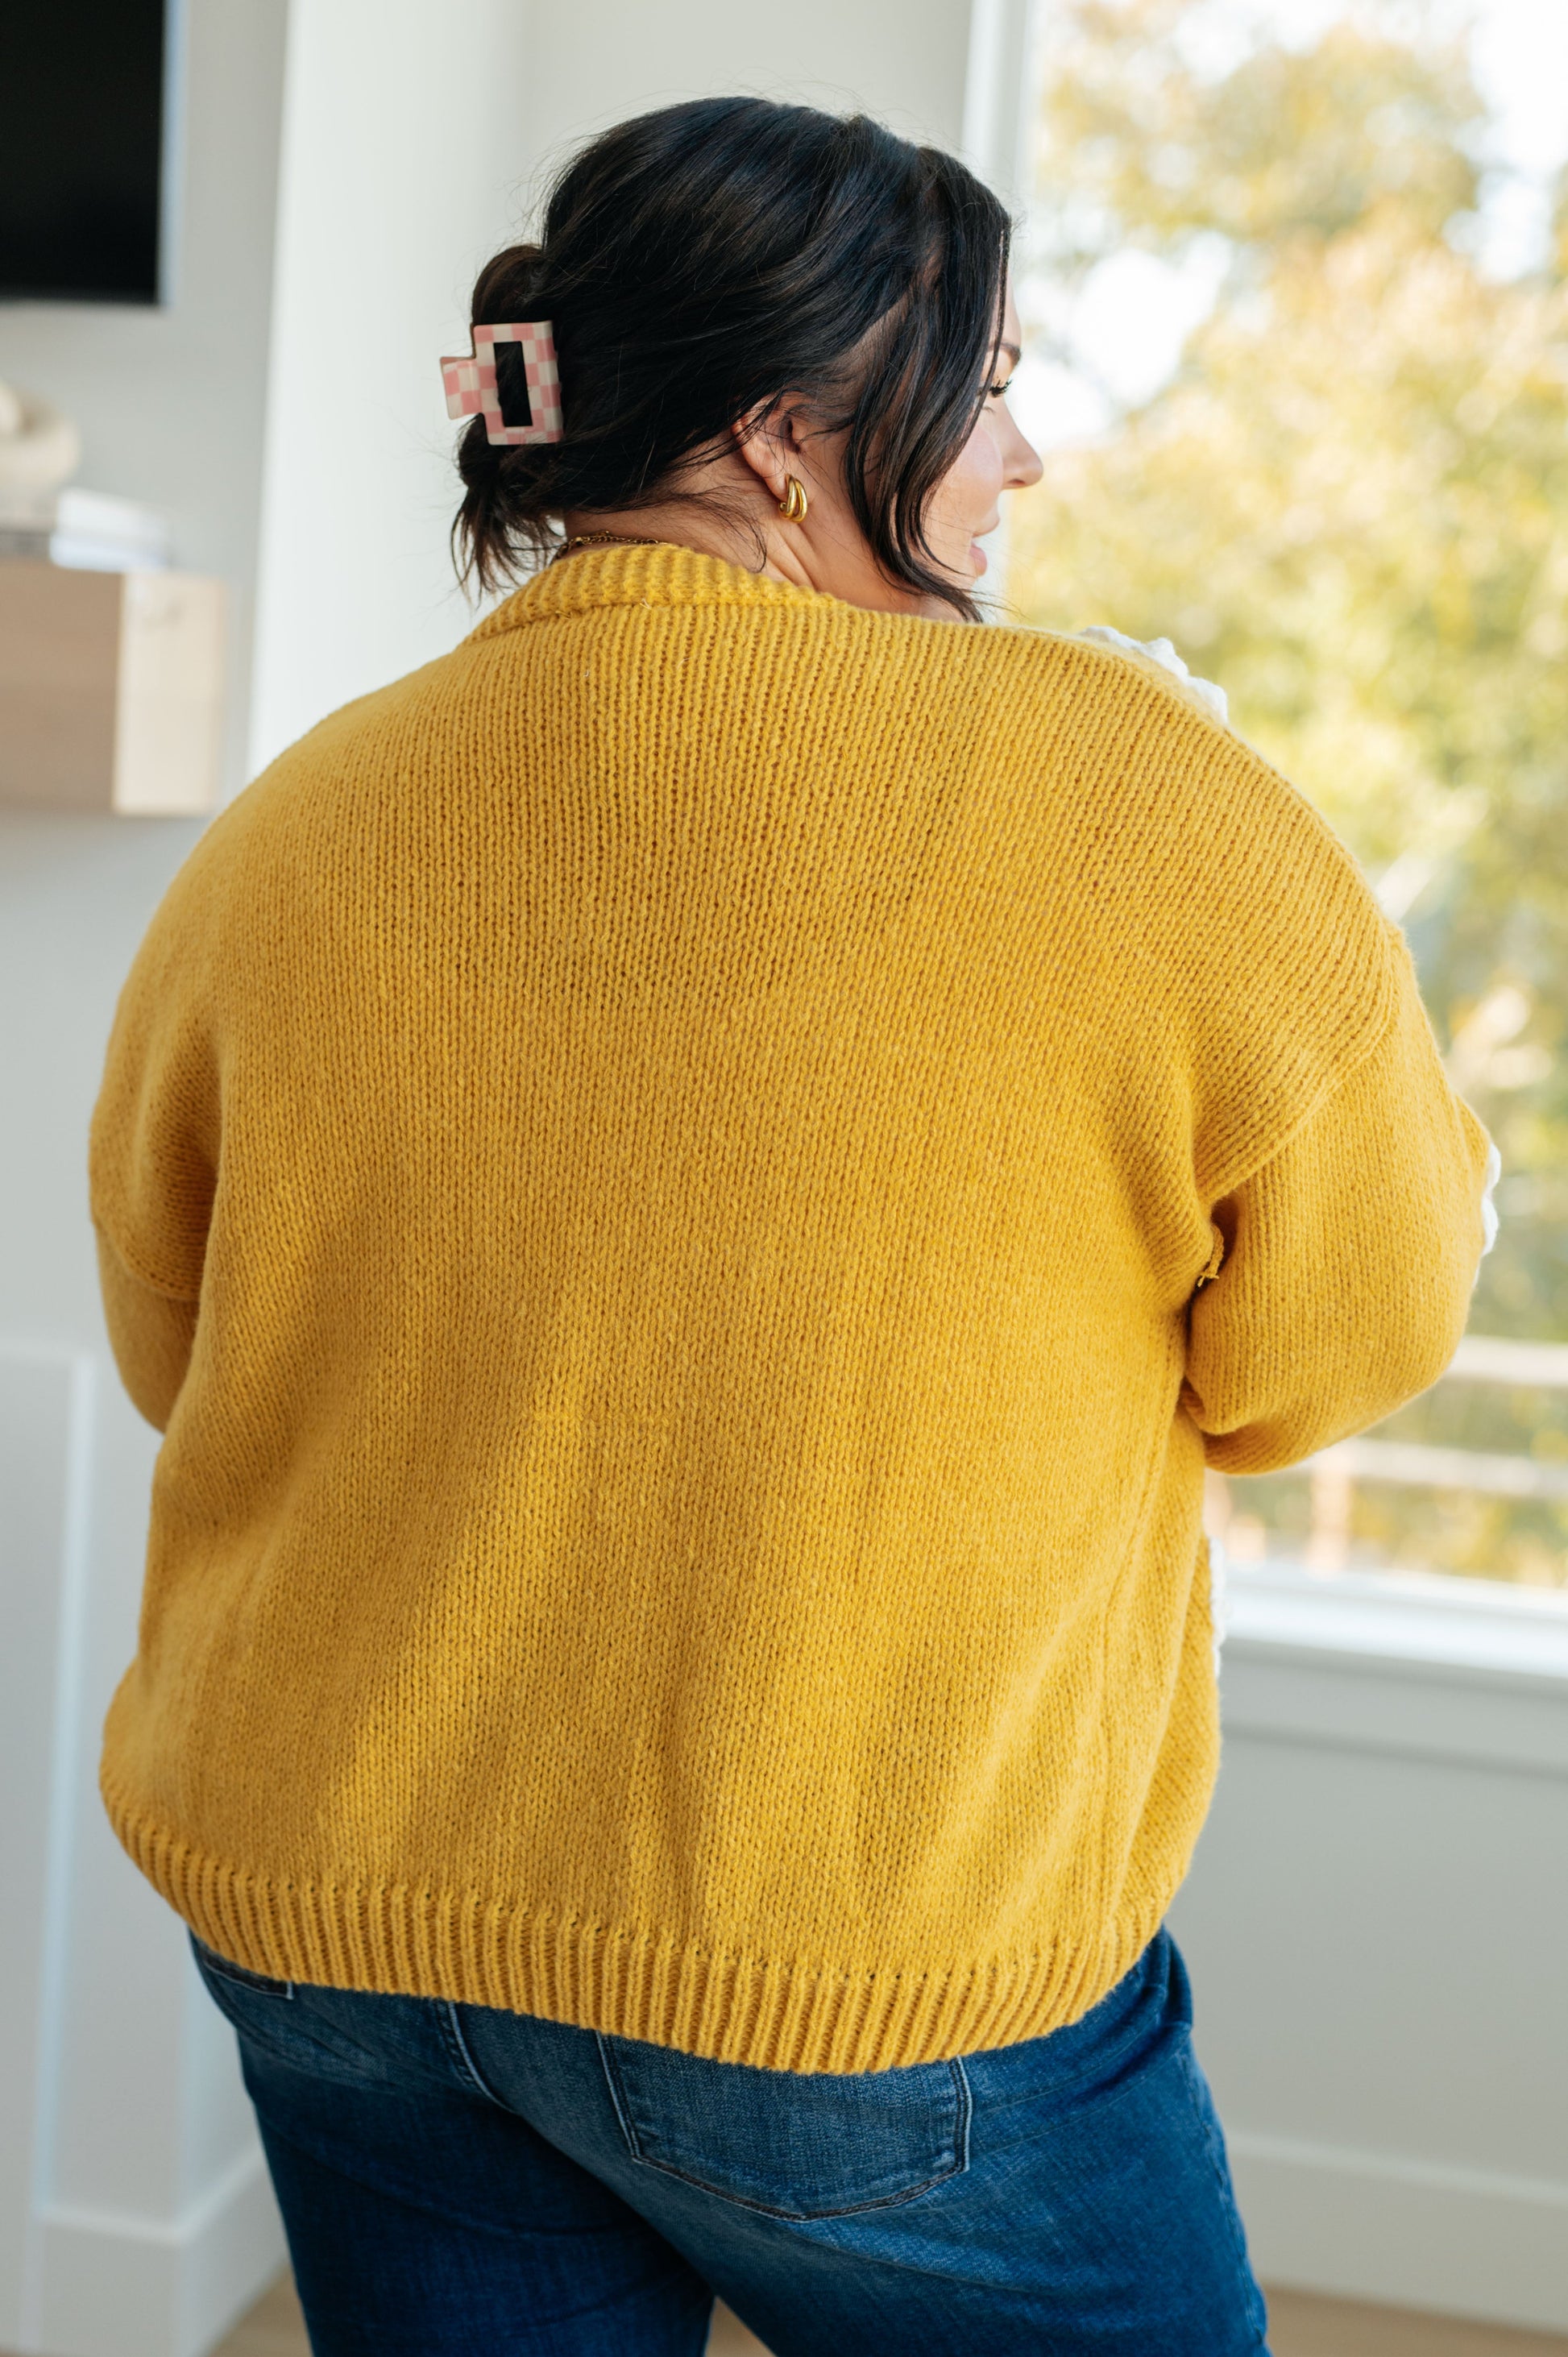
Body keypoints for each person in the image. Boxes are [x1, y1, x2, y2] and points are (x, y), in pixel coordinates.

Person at [89, 95, 1494, 2357]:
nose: (1019, 454)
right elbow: (1343, 1345)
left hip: (334, 1925)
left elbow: (185, 1354)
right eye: (990, 384)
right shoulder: (1144, 788)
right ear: (778, 435)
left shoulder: (297, 821)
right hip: (852, 1959)